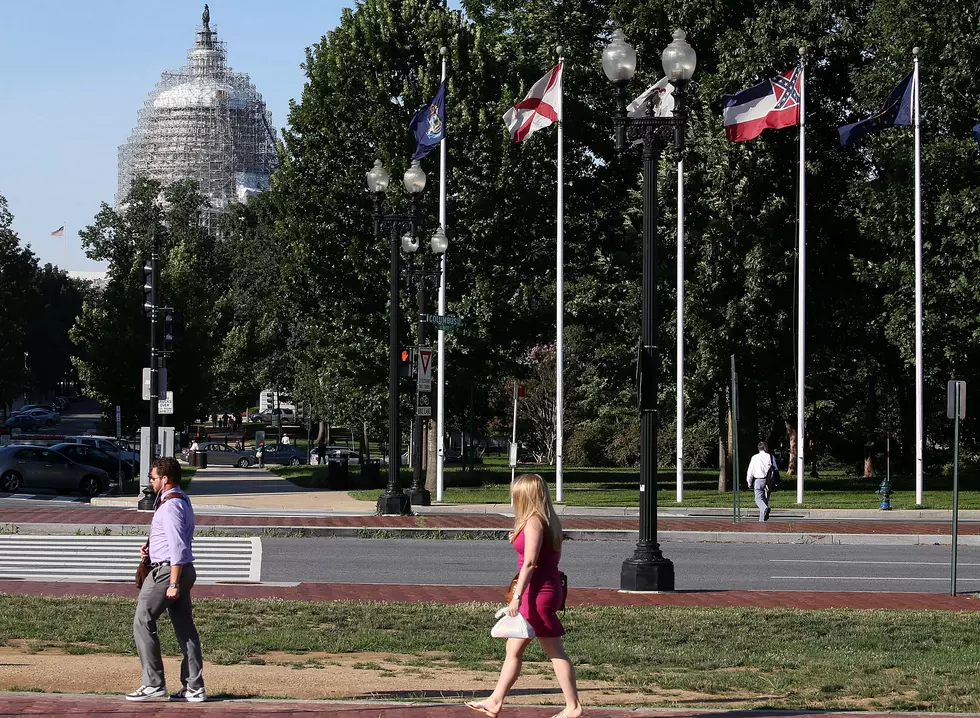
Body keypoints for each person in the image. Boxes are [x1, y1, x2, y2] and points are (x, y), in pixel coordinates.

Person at [466, 473, 582, 718]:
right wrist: (515, 540)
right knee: (514, 649)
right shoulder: (546, 520)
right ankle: (495, 700)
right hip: (543, 589)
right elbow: (536, 553)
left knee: (554, 651)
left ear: (525, 495)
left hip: (536, 592)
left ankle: (573, 707)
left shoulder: (533, 521)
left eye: (515, 492)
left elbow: (529, 563)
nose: (512, 496)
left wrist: (517, 597)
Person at [127, 457, 205, 702]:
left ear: (165, 479)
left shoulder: (170, 506)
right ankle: (194, 687)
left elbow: (178, 547)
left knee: (143, 619)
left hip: (168, 572)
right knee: (185, 628)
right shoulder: (180, 499)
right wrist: (152, 549)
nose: (150, 482)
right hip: (180, 570)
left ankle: (153, 684)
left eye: (152, 478)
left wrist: (172, 583)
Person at [746, 441, 777, 522]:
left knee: (758, 499)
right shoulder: (770, 457)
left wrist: (749, 482)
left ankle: (765, 510)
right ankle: (762, 519)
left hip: (758, 480)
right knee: (765, 500)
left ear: (758, 448)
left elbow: (750, 471)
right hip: (768, 481)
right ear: (765, 448)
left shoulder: (755, 457)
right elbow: (775, 469)